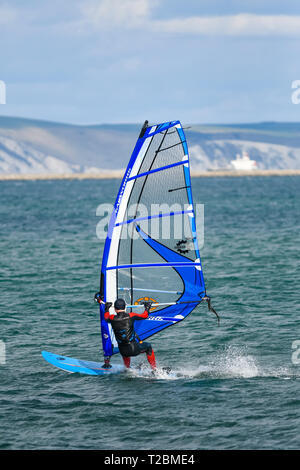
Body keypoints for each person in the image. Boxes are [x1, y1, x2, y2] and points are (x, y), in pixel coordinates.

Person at [94, 294, 156, 370]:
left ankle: (127, 369)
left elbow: (106, 317)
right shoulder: (131, 315)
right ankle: (154, 369)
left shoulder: (112, 318)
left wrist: (107, 308)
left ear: (115, 309)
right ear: (125, 307)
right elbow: (145, 315)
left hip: (123, 351)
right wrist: (147, 307)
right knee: (148, 347)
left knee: (124, 345)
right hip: (134, 349)